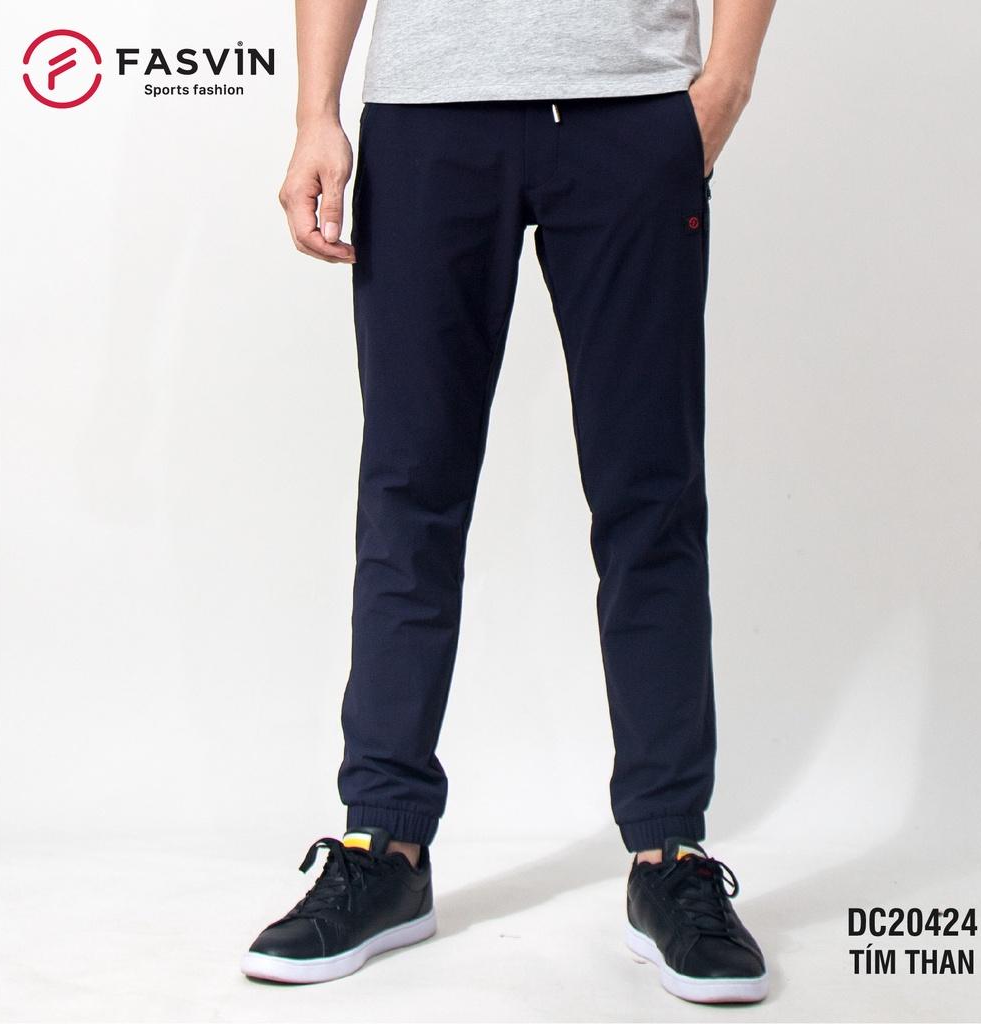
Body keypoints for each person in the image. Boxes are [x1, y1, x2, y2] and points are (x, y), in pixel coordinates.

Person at [242, 0, 776, 1005]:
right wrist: (316, 113)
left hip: (631, 110)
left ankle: (669, 855)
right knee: (409, 488)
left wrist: (726, 83)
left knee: (649, 493)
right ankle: (384, 845)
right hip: (427, 114)